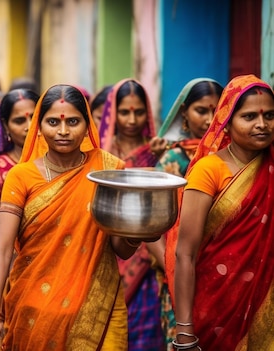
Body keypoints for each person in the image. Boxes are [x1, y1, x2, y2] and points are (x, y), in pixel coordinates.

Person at [0, 84, 141, 351]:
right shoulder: (21, 176)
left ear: (88, 124)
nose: (64, 131)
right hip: (35, 308)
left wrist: (139, 235)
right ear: (39, 126)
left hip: (98, 305)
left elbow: (120, 250)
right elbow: (1, 249)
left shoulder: (108, 169)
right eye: (53, 122)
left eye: (73, 122)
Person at [167, 75, 274, 350]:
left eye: (270, 116)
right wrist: (184, 329)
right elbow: (185, 253)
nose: (262, 125)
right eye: (249, 116)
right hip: (214, 304)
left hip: (265, 303)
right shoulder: (209, 170)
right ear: (227, 120)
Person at [147, 78, 223, 348]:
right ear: (184, 114)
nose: (210, 119)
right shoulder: (173, 160)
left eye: (218, 111)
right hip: (179, 270)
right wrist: (172, 267)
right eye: (202, 111)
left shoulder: (232, 158)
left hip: (224, 272)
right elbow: (149, 223)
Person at [99, 78, 164, 350]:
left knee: (144, 334)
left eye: (138, 112)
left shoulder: (157, 150)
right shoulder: (101, 154)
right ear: (113, 113)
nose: (131, 119)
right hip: (107, 252)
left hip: (149, 257)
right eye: (124, 112)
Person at [0, 89, 39, 249]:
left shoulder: (62, 161)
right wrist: (32, 248)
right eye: (19, 121)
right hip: (14, 262)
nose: (29, 126)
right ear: (5, 125)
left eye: (35, 117)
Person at [154, 79, 223, 176]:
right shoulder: (173, 158)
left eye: (217, 112)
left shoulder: (233, 153)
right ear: (184, 111)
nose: (210, 121)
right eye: (201, 111)